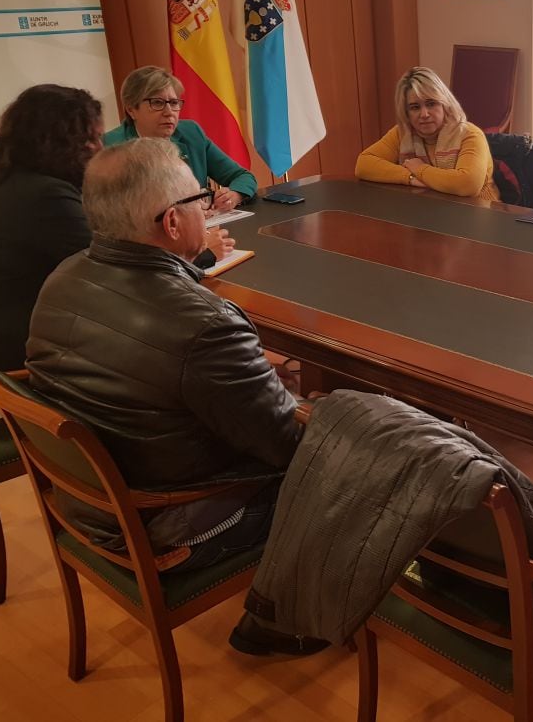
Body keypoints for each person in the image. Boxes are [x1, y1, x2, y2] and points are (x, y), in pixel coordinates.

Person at [25, 138, 321, 655]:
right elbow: (287, 450)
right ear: (172, 223)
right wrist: (312, 410)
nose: (208, 210)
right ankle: (281, 621)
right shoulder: (204, 326)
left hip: (84, 502)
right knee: (335, 463)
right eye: (201, 200)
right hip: (166, 526)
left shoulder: (62, 277)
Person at [0, 85, 101, 371]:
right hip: (33, 355)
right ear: (56, 140)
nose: (98, 148)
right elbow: (112, 269)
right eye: (88, 139)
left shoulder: (1, 178)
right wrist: (195, 253)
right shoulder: (45, 195)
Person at [104, 65, 257, 210]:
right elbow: (116, 211)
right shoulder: (112, 148)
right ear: (131, 110)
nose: (169, 112)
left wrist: (234, 196)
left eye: (174, 102)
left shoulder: (191, 133)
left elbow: (242, 176)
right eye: (157, 103)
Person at [355, 67, 498, 200]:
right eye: (415, 107)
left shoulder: (469, 134)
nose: (424, 114)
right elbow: (363, 164)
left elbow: (468, 185)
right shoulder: (402, 133)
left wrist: (420, 169)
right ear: (406, 113)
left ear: (444, 104)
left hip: (480, 214)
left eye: (431, 104)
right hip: (429, 211)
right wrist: (409, 177)